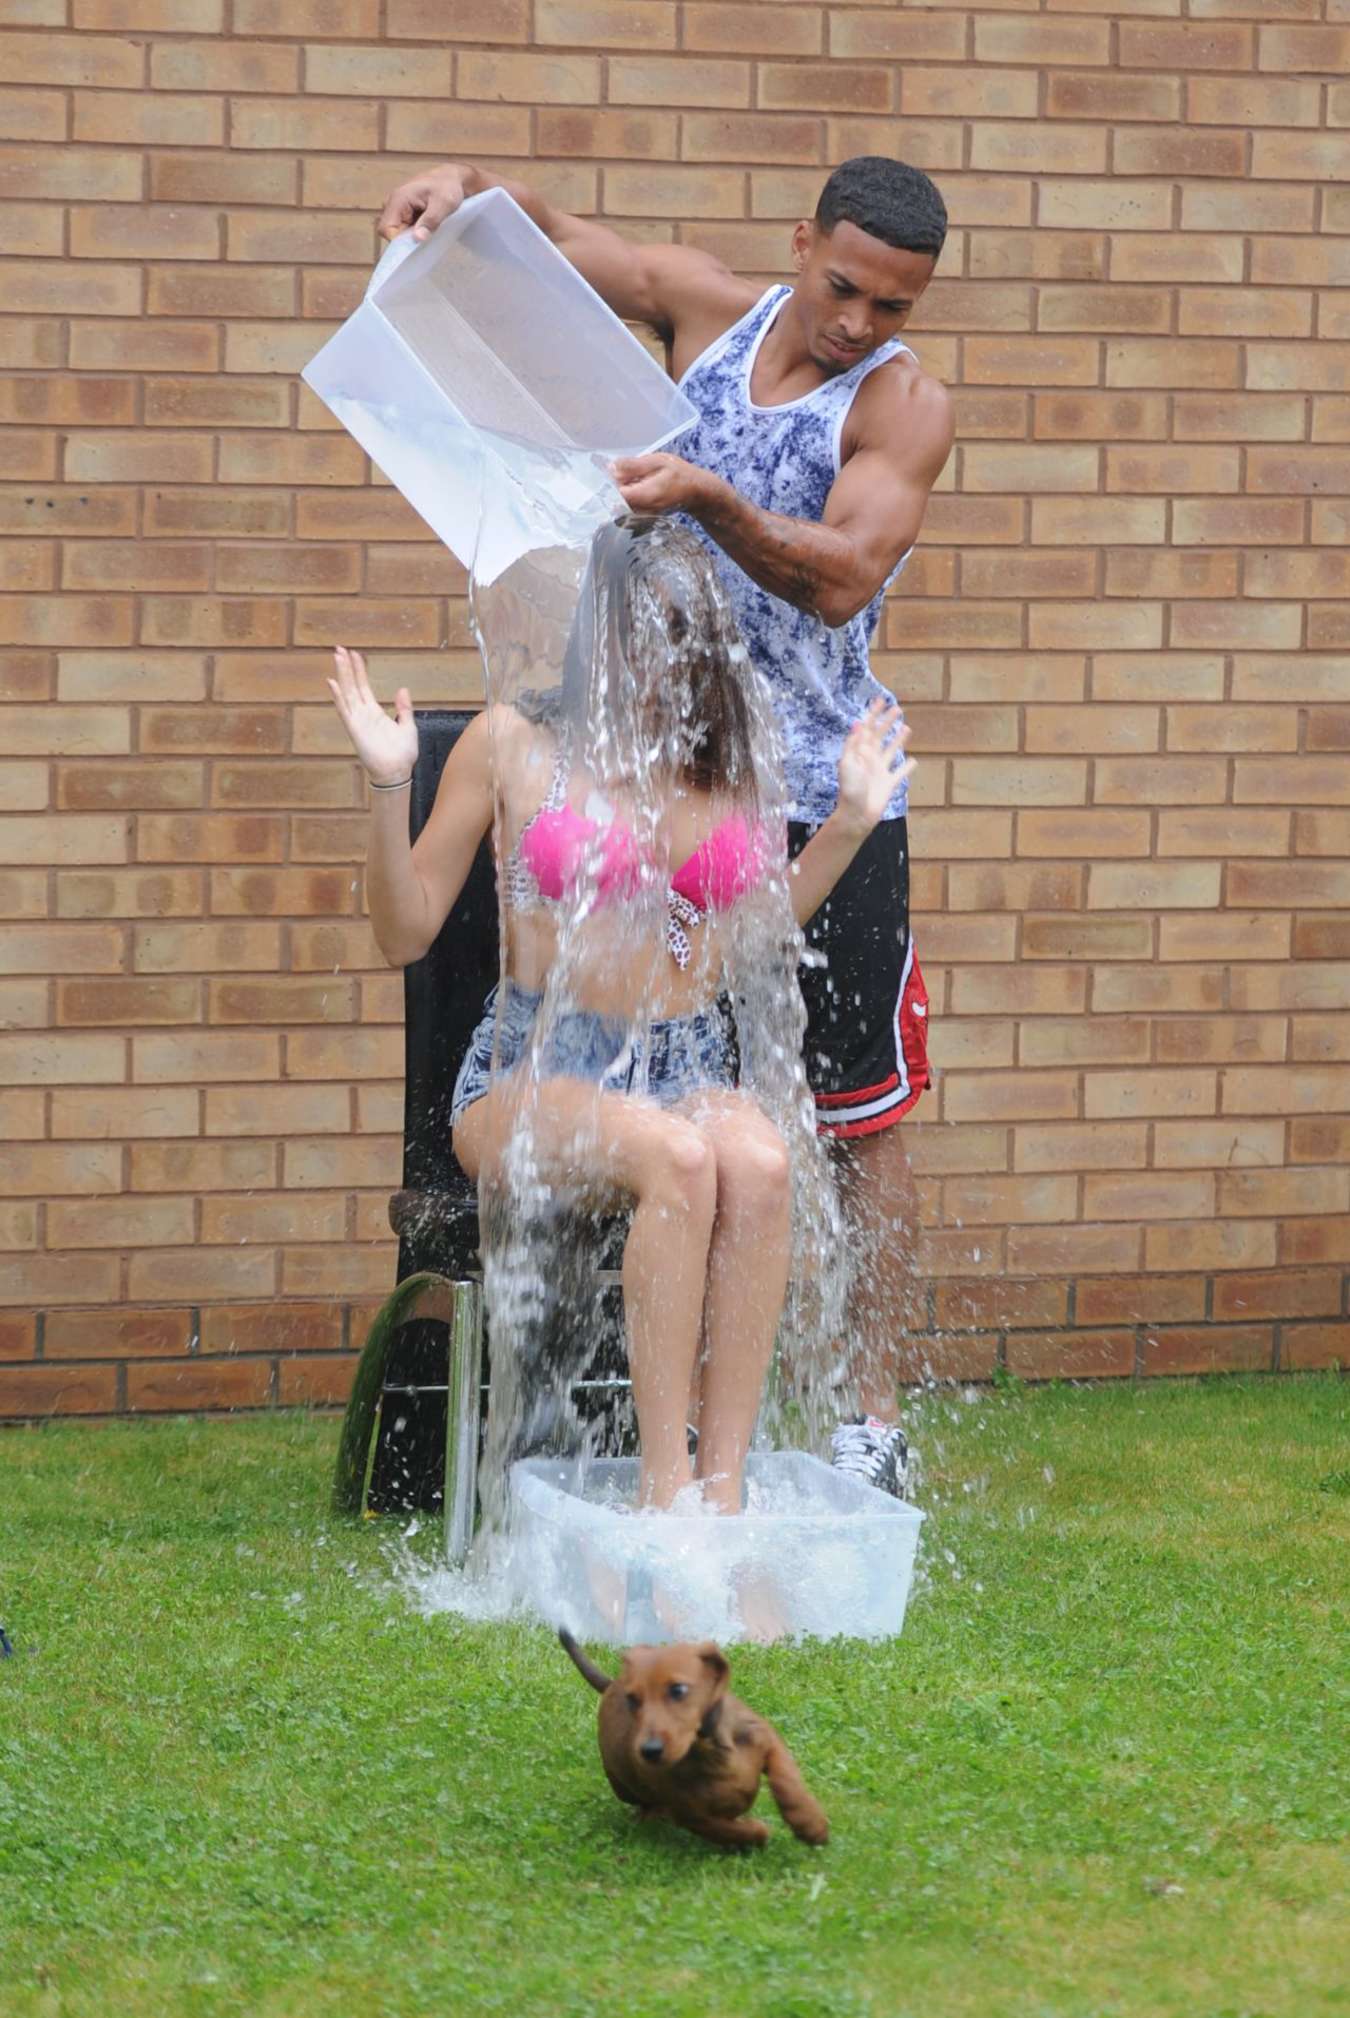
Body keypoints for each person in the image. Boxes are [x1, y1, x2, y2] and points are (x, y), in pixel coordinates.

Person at [375, 151, 955, 1495]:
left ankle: (865, 1416)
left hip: (807, 784)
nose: (861, 322)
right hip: (653, 754)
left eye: (894, 305)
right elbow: (568, 243)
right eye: (844, 286)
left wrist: (707, 497)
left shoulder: (900, 408)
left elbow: (845, 573)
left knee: (848, 1113)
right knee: (685, 1093)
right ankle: (671, 1439)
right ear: (799, 238)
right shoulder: (708, 311)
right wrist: (459, 196)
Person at [327, 521, 913, 1517]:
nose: (661, 658)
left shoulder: (723, 768)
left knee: (762, 1163)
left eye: (682, 637)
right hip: (535, 1066)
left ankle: (722, 1498)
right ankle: (662, 1492)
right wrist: (389, 784)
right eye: (641, 634)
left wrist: (851, 820)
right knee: (680, 1158)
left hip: (683, 1058)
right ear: (599, 634)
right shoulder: (513, 743)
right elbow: (404, 927)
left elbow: (744, 942)